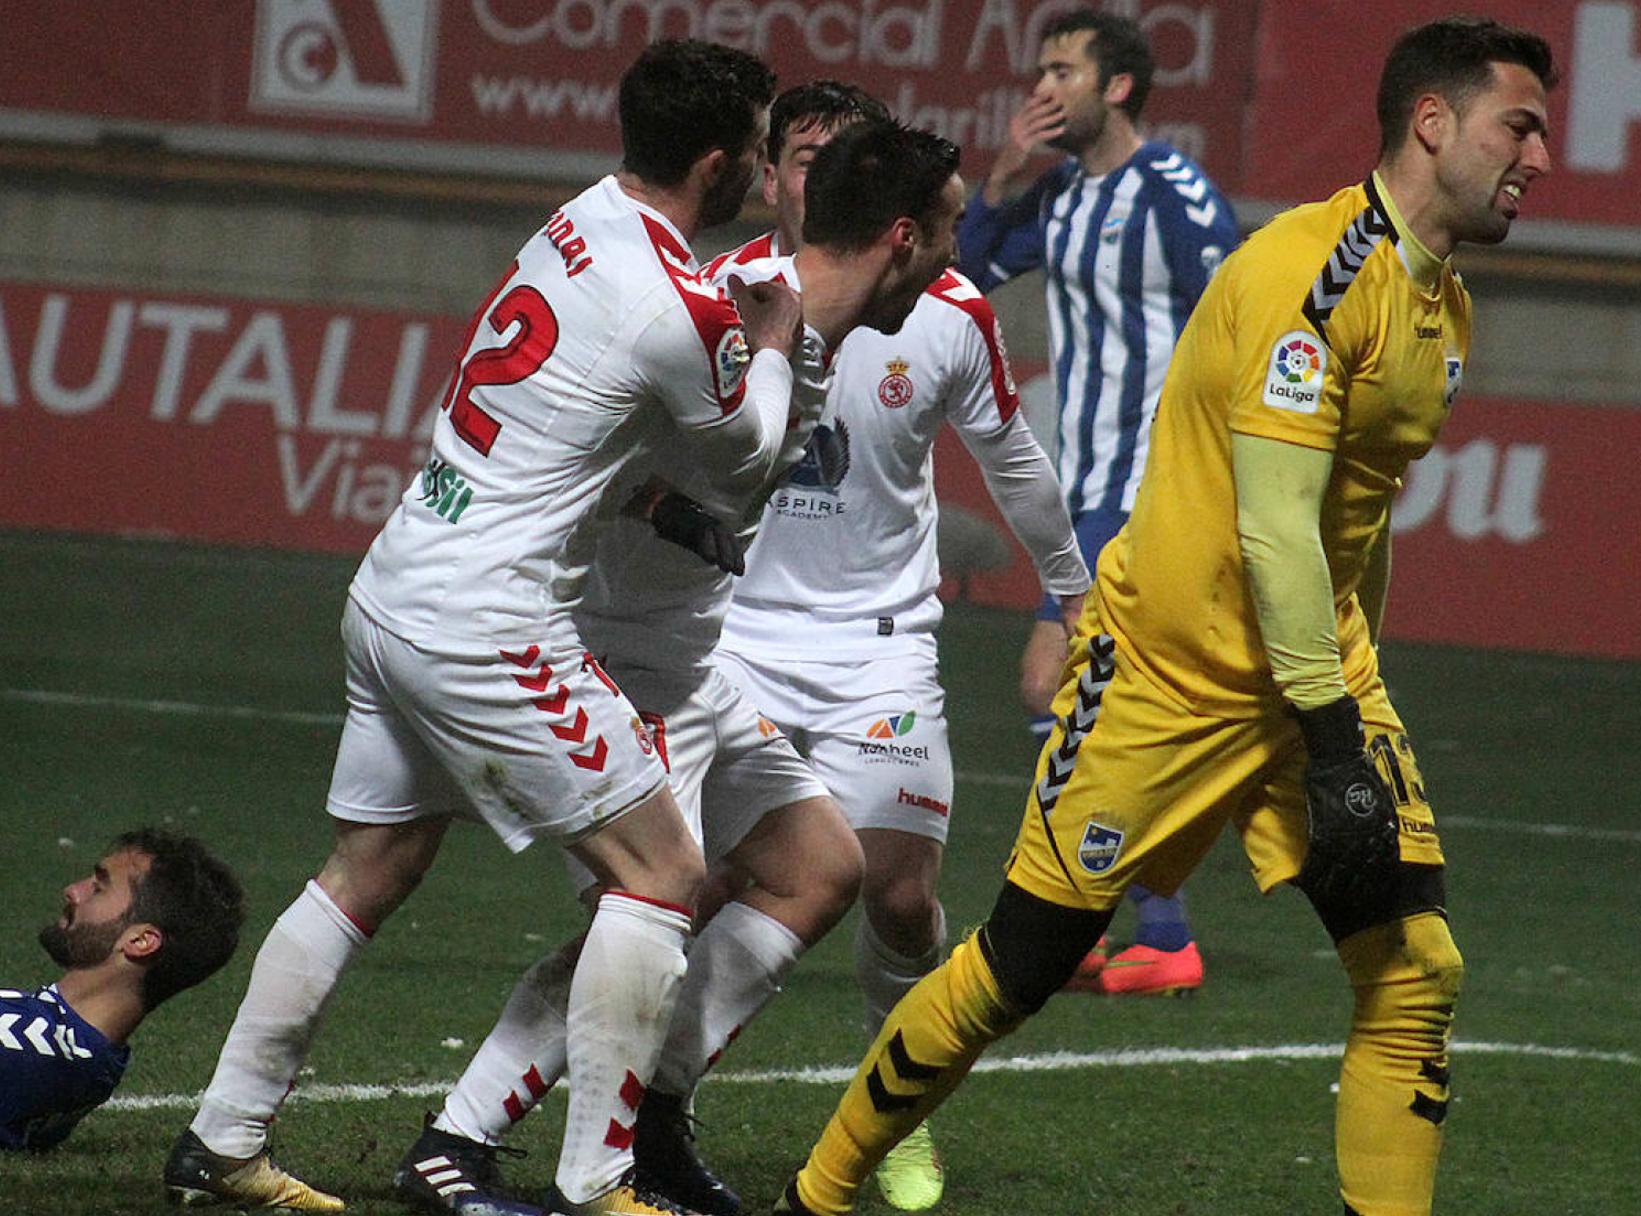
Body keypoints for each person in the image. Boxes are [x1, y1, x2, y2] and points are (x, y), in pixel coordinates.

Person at [776, 16, 1556, 1216]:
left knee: (1415, 971)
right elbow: (1272, 527)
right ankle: (821, 1191)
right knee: (1017, 967)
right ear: (1432, 123)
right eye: (1522, 125)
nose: (1540, 157)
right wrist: (1339, 737)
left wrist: (1354, 694)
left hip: (1308, 669)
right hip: (1165, 672)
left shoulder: (1441, 306)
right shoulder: (1316, 274)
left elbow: (1353, 525)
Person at [162, 39, 810, 1216]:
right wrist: (770, 343)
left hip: (397, 579)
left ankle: (221, 1143)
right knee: (664, 871)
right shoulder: (682, 304)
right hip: (485, 622)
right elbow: (749, 467)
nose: (764, 168)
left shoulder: (579, 217)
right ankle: (600, 1181)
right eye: (760, 149)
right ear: (720, 163)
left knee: (370, 866)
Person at [384, 117, 974, 1216]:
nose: (955, 258)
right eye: (947, 232)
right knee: (660, 895)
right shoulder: (724, 309)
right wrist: (658, 510)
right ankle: (471, 1139)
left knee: (818, 867)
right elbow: (578, 443)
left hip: (697, 661)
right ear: (901, 237)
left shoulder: (811, 328)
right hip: (614, 654)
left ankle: (652, 1113)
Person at [702, 81, 1086, 1212]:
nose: (815, 173)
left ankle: (891, 1111)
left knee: (903, 899)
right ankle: (642, 1108)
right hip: (735, 642)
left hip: (881, 651)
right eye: (798, 155)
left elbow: (1012, 459)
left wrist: (1072, 594)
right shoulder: (723, 297)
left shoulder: (950, 310)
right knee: (701, 887)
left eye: (839, 154)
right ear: (771, 173)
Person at [958, 8, 1241, 994]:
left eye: (1063, 70)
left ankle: (1114, 922)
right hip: (1085, 485)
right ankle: (1140, 930)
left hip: (1148, 485)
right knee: (1101, 700)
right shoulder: (1065, 198)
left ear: (1117, 88)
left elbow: (1244, 318)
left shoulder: (1174, 195)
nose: (1044, 87)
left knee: (1054, 683)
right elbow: (962, 275)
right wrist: (998, 179)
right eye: (1040, 69)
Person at [0, 797, 245, 1151]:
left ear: (140, 941)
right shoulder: (70, 1047)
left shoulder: (31, 1056)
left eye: (99, 887)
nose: (73, 890)